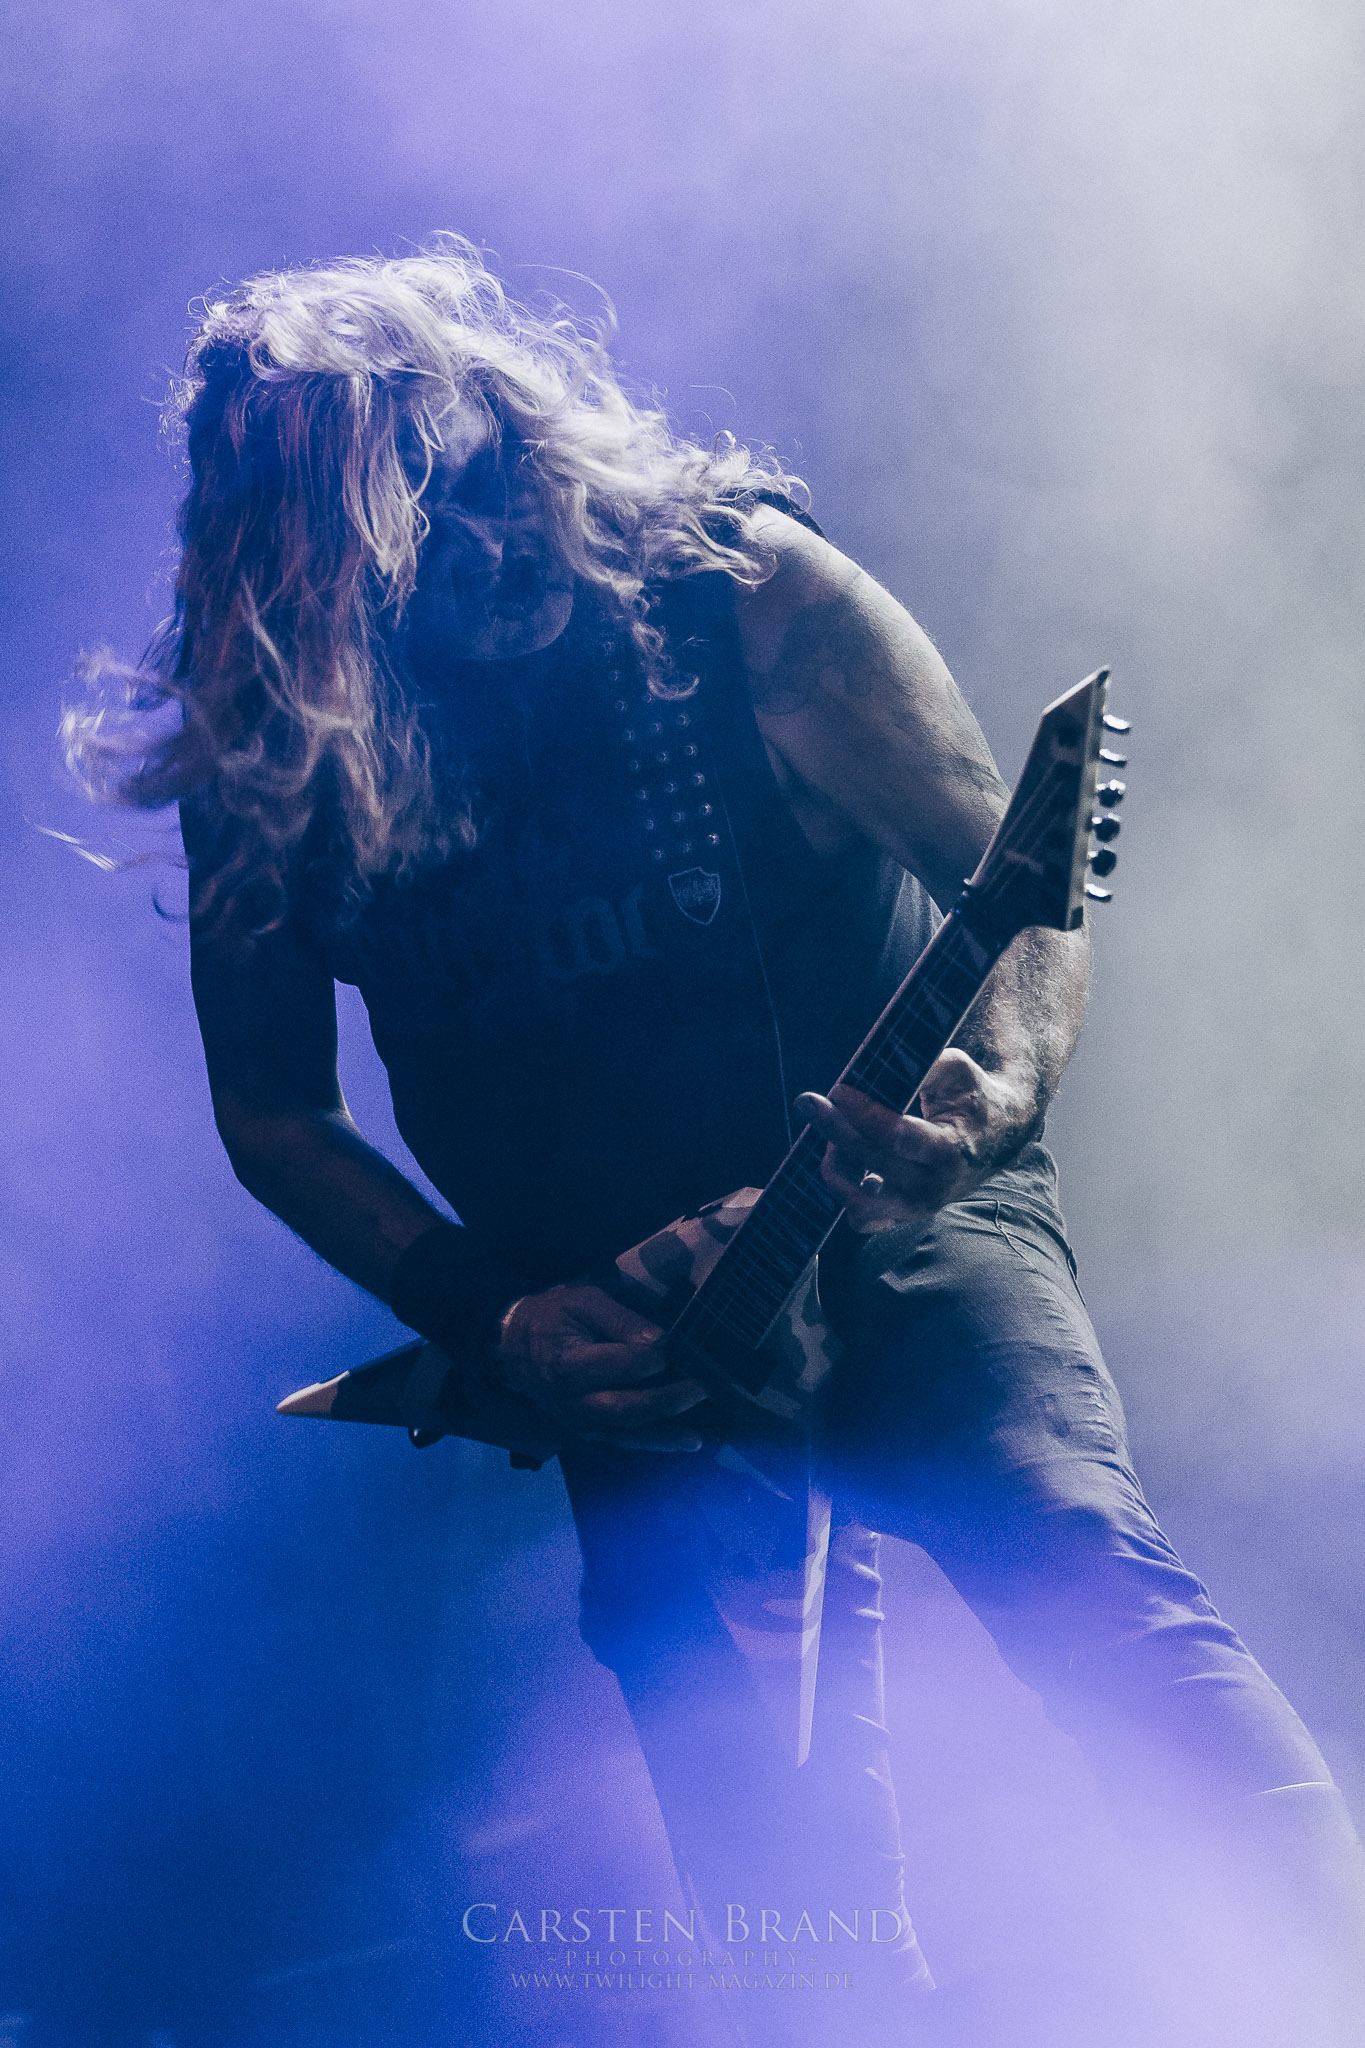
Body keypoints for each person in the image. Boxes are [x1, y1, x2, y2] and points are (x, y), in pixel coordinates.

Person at [68, 239, 1365, 2047]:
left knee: (1081, 1567)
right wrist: (495, 1312)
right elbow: (272, 1107)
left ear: (500, 436)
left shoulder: (743, 598)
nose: (452, 572)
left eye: (450, 496)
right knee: (768, 1836)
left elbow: (1012, 884)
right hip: (616, 1334)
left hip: (896, 1215)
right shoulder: (273, 737)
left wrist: (992, 1096)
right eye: (375, 554)